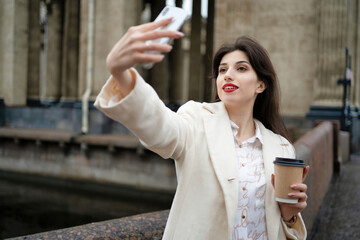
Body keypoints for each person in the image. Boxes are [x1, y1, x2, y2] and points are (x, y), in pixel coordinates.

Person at [94, 17, 310, 240]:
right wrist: (121, 74)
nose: (227, 74)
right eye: (222, 69)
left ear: (261, 84)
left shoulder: (282, 148)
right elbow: (160, 128)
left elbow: (284, 229)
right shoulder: (196, 120)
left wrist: (290, 216)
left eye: (241, 68)